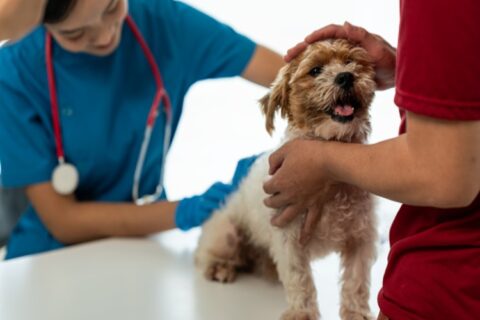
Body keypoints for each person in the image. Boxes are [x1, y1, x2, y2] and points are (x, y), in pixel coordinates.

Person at [0, 0, 284, 260]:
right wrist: (193, 209)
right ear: (39, 20)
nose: (104, 36)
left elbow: (287, 76)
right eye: (74, 34)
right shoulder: (14, 69)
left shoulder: (164, 21)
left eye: (112, 7)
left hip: (145, 244)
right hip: (48, 257)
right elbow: (63, 221)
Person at [263, 2, 480, 320]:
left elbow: (444, 173)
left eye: (350, 64)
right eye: (317, 70)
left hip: (446, 283)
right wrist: (410, 69)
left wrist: (324, 161)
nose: (343, 75)